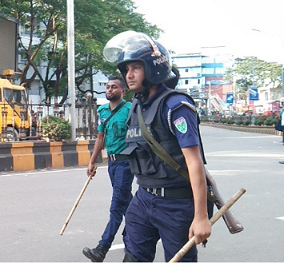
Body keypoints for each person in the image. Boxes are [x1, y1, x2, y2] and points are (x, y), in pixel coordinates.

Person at [103, 30, 211, 262]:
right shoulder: (137, 106)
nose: (128, 75)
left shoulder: (176, 106)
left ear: (153, 68)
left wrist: (201, 216)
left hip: (176, 203)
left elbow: (195, 163)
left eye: (136, 68)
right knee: (133, 259)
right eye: (126, 69)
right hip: (143, 198)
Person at [82, 76, 133, 262]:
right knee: (128, 203)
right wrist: (92, 161)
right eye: (108, 87)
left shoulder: (130, 110)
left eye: (114, 87)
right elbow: (100, 138)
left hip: (126, 163)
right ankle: (133, 241)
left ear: (123, 91)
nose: (110, 90)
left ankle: (102, 247)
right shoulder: (103, 110)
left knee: (117, 204)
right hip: (111, 164)